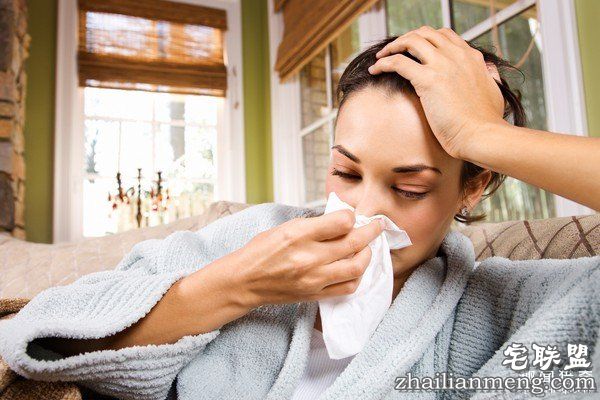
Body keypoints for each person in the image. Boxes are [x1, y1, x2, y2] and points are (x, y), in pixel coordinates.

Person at [0, 29, 598, 400]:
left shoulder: (497, 311)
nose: (365, 211)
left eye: (409, 188)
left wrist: (482, 135)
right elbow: (43, 335)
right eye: (346, 172)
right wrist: (240, 283)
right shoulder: (258, 235)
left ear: (474, 187)